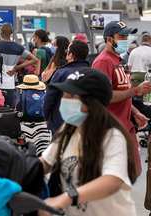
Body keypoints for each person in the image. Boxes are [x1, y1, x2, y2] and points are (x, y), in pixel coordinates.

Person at [38, 68, 137, 216]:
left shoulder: (112, 136)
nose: (64, 99)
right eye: (63, 94)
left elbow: (112, 181)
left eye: (71, 96)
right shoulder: (69, 129)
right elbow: (45, 163)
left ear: (92, 103)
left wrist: (65, 198)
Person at [92, 21, 151, 177]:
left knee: (135, 170)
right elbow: (104, 95)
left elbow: (123, 92)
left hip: (126, 126)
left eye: (126, 36)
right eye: (121, 36)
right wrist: (136, 90)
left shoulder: (120, 60)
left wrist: (135, 112)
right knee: (113, 174)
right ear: (109, 39)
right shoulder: (104, 62)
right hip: (110, 128)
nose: (125, 39)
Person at [0, 22, 37, 108]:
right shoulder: (19, 47)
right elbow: (34, 59)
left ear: (1, 32)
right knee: (9, 111)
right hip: (9, 85)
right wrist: (16, 67)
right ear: (11, 33)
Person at [43, 39, 89, 134]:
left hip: (61, 123)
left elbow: (49, 97)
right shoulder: (93, 73)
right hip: (85, 123)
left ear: (71, 55)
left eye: (67, 52)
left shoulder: (61, 73)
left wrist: (46, 117)